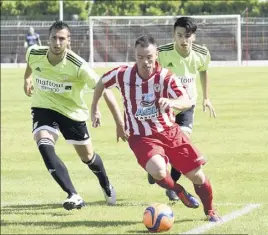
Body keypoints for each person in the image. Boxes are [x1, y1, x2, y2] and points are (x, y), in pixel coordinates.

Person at [91, 35, 221, 222]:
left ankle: (210, 211)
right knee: (158, 170)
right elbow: (102, 83)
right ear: (134, 56)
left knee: (197, 176)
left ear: (157, 55)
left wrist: (171, 102)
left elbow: (186, 101)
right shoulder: (123, 74)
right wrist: (95, 108)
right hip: (141, 136)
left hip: (170, 132)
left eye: (149, 57)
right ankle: (178, 190)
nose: (145, 62)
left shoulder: (166, 77)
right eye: (140, 57)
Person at [23, 20, 116, 210]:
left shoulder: (78, 65)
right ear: (48, 39)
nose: (57, 43)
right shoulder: (34, 52)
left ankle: (105, 183)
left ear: (69, 41)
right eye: (54, 38)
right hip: (44, 108)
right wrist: (27, 77)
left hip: (72, 113)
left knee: (88, 158)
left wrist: (101, 112)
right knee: (44, 144)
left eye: (62, 39)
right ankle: (73, 194)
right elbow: (30, 64)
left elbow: (103, 87)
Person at [147, 16, 217, 201]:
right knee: (162, 143)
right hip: (164, 106)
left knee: (182, 145)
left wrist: (206, 98)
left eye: (187, 36)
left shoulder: (202, 53)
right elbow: (151, 75)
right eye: (179, 35)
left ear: (193, 36)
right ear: (173, 35)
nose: (183, 40)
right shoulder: (162, 53)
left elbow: (204, 71)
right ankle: (158, 166)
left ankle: (171, 185)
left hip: (187, 105)